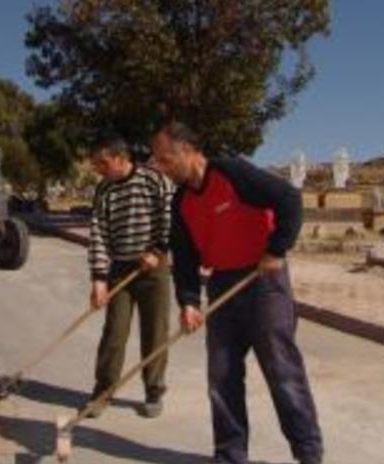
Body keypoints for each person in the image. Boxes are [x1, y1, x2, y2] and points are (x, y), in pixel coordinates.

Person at [150, 121, 323, 464]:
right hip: (221, 286)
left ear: (188, 151)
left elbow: (288, 199)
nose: (161, 167)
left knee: (283, 373)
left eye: (166, 159)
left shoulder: (231, 172)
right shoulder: (181, 202)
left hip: (263, 283)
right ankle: (230, 455)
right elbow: (184, 257)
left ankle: (309, 455)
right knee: (222, 376)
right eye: (158, 160)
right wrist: (187, 302)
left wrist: (277, 249)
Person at [86, 133, 173, 418]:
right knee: (114, 332)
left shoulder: (154, 180)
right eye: (96, 164)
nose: (99, 169)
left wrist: (157, 251)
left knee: (155, 333)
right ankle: (103, 392)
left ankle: (154, 391)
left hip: (153, 268)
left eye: (103, 163)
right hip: (120, 269)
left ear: (120, 158)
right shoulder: (104, 190)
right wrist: (99, 278)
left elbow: (171, 218)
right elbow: (98, 233)